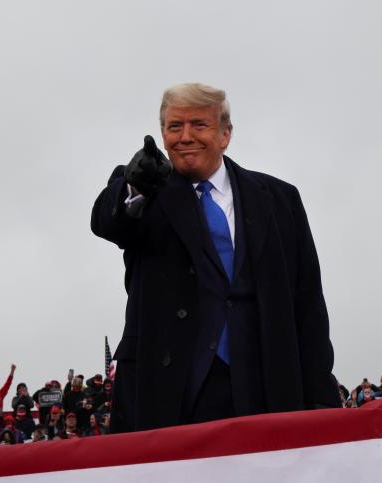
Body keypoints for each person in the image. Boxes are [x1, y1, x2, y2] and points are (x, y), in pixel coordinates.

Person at [92, 82, 340, 433]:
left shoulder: (279, 199)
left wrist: (321, 400)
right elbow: (107, 222)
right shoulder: (144, 191)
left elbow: (308, 304)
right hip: (172, 391)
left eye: (199, 125)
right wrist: (134, 188)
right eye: (174, 127)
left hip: (267, 387)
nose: (185, 136)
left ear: (225, 135)